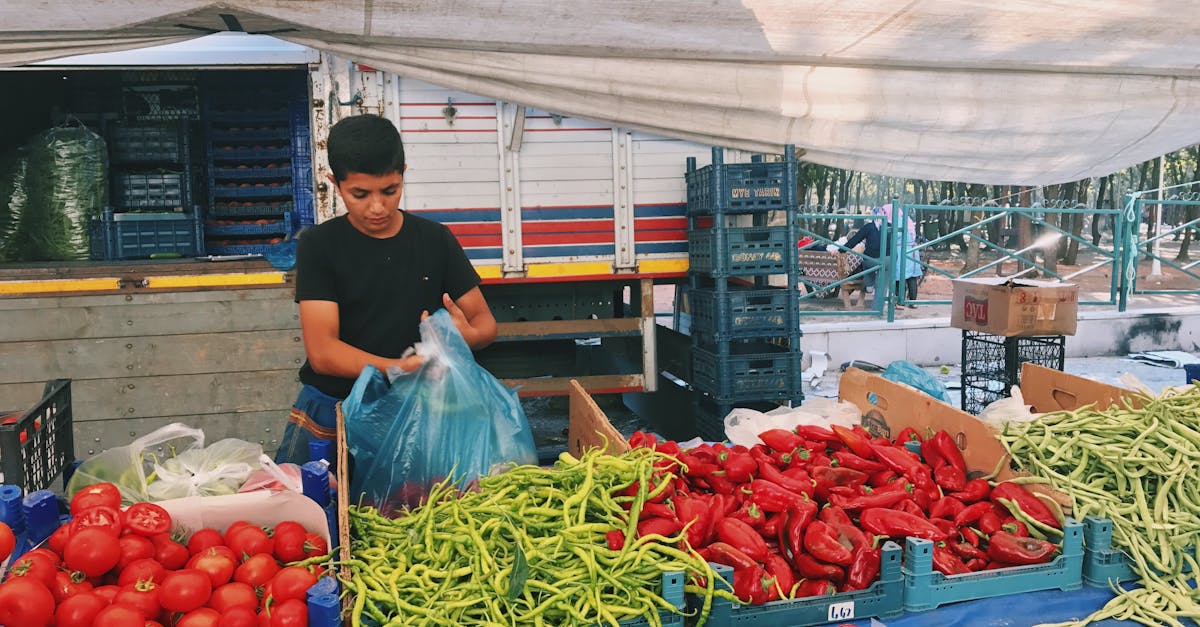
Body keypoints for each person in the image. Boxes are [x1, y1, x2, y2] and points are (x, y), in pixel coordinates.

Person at [274, 114, 498, 465]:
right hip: (336, 409)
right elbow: (323, 352)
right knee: (319, 512)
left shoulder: (435, 240)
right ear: (335, 183)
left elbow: (485, 324)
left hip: (420, 410)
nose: (376, 207)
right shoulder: (319, 245)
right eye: (359, 194)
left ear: (403, 174)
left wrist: (459, 337)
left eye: (389, 190)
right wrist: (400, 367)